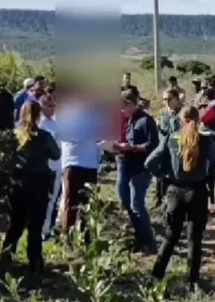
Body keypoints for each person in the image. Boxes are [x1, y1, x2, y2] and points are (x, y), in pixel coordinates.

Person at [145, 106, 215, 292]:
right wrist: (210, 177)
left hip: (175, 192)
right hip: (197, 192)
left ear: (180, 120)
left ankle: (156, 277)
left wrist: (163, 176)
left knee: (170, 237)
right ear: (198, 120)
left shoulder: (170, 139)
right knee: (194, 239)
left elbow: (149, 162)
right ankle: (193, 282)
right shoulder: (204, 140)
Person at [0, 102, 60, 279]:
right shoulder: (44, 136)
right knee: (35, 226)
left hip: (16, 184)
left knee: (15, 225)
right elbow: (56, 154)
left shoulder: (14, 135)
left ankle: (5, 260)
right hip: (38, 184)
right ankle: (34, 264)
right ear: (39, 115)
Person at [115, 90, 160, 254]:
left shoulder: (146, 120)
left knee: (137, 205)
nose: (121, 111)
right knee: (127, 203)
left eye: (123, 107)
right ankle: (140, 240)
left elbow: (153, 145)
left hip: (141, 169)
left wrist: (132, 147)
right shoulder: (130, 120)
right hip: (128, 166)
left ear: (130, 104)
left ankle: (149, 243)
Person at [58, 90, 109, 234]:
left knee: (87, 203)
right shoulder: (67, 114)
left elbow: (101, 133)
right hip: (72, 163)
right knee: (71, 202)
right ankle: (67, 236)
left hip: (90, 164)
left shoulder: (93, 115)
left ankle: (85, 236)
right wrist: (88, 134)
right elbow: (68, 134)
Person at [38, 93, 63, 239]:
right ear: (42, 107)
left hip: (57, 165)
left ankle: (49, 227)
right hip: (47, 166)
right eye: (49, 106)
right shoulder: (42, 125)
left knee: (53, 199)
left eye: (54, 105)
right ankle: (44, 230)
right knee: (47, 199)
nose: (53, 108)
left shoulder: (55, 123)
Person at [155, 88, 183, 208]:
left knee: (176, 175)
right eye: (164, 99)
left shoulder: (183, 112)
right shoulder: (162, 113)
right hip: (164, 147)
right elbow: (161, 129)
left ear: (177, 99)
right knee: (160, 174)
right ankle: (159, 199)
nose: (166, 102)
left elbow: (180, 131)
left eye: (169, 99)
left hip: (177, 148)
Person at [199, 88, 215, 208]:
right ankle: (212, 201)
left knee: (207, 172)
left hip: (209, 140)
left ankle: (209, 202)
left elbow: (201, 119)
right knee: (211, 172)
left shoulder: (212, 108)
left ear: (206, 97)